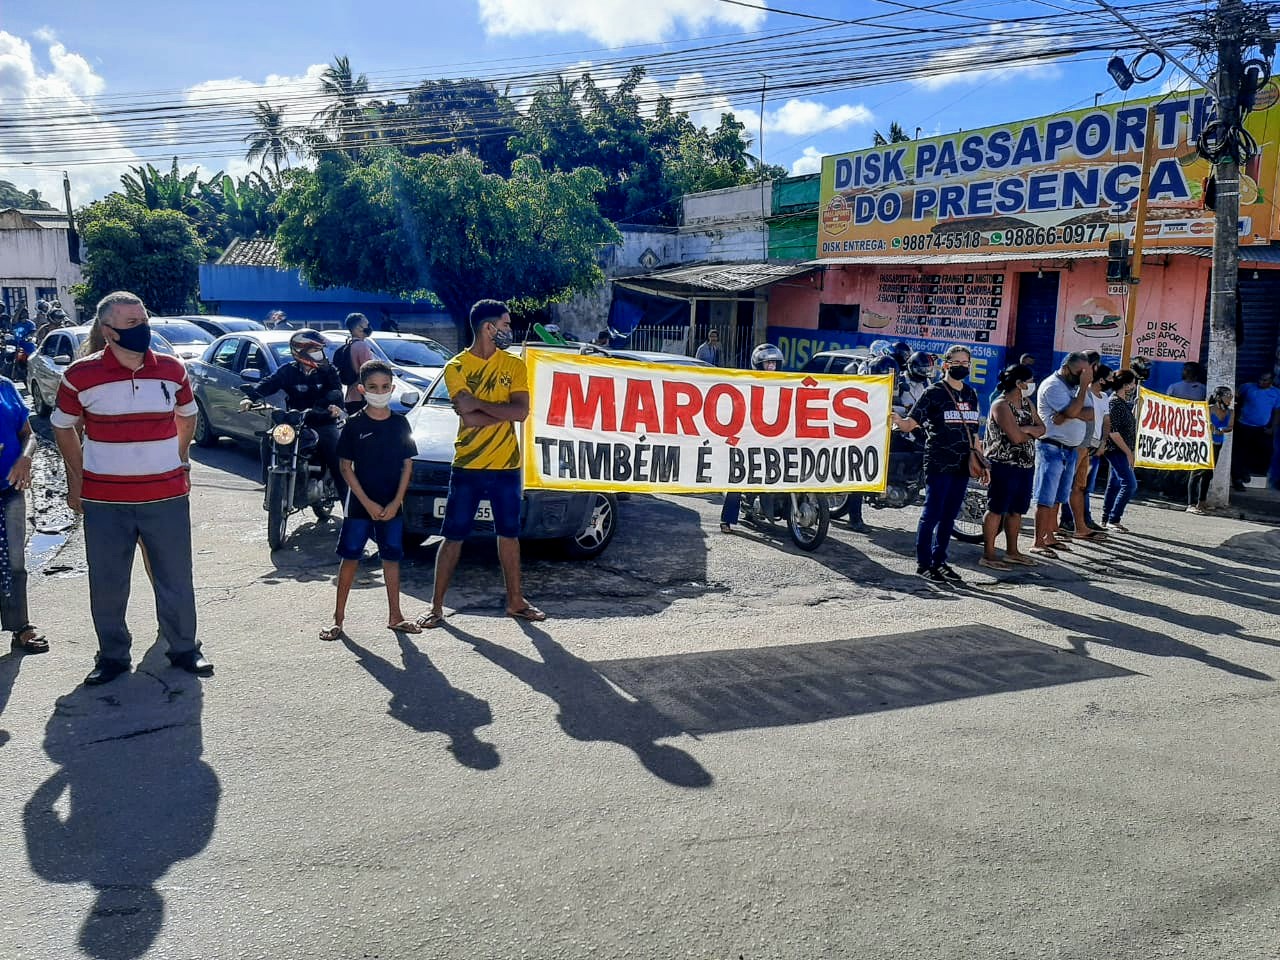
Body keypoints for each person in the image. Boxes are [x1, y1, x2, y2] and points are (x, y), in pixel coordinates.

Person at [50, 291, 212, 686]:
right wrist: (78, 479)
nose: (143, 330)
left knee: (175, 576)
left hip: (167, 496)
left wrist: (176, 458)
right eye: (131, 324)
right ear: (108, 332)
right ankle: (112, 656)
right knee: (107, 581)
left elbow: (186, 418)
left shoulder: (172, 370)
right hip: (106, 500)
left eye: (144, 320)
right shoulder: (80, 375)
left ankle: (184, 648)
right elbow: (62, 425)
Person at [423, 300, 543, 628]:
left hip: (507, 466)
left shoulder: (515, 365)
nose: (509, 330)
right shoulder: (456, 366)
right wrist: (495, 410)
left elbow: (520, 413)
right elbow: (469, 418)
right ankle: (436, 607)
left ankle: (515, 602)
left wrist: (478, 404)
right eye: (505, 324)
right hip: (468, 465)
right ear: (488, 327)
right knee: (453, 536)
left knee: (509, 535)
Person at [320, 360, 420, 641]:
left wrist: (395, 502)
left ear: (393, 388)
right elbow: (345, 468)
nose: (380, 391)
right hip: (359, 507)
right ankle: (337, 619)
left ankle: (396, 616)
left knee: (391, 558)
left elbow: (407, 466)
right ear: (362, 389)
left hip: (392, 505)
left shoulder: (400, 423)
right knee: (350, 558)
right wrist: (368, 503)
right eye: (374, 387)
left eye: (386, 387)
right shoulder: (353, 424)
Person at [891, 345, 987, 584]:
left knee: (950, 515)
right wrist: (894, 418)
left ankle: (940, 561)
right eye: (958, 363)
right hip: (938, 461)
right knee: (932, 513)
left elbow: (974, 433)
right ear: (946, 365)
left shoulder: (971, 394)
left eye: (967, 363)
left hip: (963, 464)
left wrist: (982, 463)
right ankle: (924, 564)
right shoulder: (933, 393)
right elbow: (910, 423)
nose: (963, 367)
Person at [239, 329, 347, 504]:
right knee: (268, 440)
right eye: (315, 351)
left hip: (323, 421)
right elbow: (268, 384)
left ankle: (349, 513)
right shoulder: (287, 371)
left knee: (338, 460)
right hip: (293, 422)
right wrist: (249, 398)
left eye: (320, 351)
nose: (321, 355)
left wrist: (335, 406)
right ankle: (270, 485)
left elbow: (336, 391)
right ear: (301, 352)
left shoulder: (328, 371)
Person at [980, 363, 1045, 570]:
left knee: (1017, 510)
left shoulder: (1026, 403)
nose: (1032, 384)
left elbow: (1042, 428)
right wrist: (1029, 431)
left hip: (1025, 464)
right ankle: (989, 554)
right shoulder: (1001, 405)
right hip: (1003, 464)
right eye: (1029, 381)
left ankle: (1012, 551)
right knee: (997, 508)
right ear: (1018, 383)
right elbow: (1015, 437)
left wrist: (1026, 428)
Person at [0, 372, 45, 654]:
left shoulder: (4, 386)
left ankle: (21, 627)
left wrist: (25, 458)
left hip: (9, 490)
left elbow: (28, 434)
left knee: (16, 561)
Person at [1031, 352, 1092, 554]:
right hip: (1051, 447)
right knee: (1045, 497)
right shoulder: (1054, 385)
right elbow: (1075, 411)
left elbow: (1091, 413)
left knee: (1058, 497)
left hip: (1070, 450)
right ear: (1066, 368)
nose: (1083, 376)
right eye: (1079, 372)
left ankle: (1049, 536)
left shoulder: (1074, 388)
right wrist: (1082, 391)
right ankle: (1038, 541)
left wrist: (1068, 413)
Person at [721, 344, 783, 533]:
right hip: (749, 437)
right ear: (758, 364)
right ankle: (727, 520)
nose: (771, 366)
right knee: (738, 479)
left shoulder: (785, 383)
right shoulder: (748, 382)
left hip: (774, 437)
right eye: (768, 363)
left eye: (774, 363)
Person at [1061, 363, 1111, 539]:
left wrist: (1103, 441)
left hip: (1094, 446)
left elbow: (1106, 421)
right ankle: (1065, 520)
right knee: (1068, 484)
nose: (1112, 380)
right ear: (1101, 379)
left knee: (1083, 487)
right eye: (1110, 377)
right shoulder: (1082, 393)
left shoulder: (1104, 396)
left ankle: (1084, 520)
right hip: (1080, 444)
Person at [1102, 369, 1140, 532]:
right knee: (1129, 484)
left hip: (1122, 449)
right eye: (1132, 383)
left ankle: (1106, 518)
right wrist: (1128, 452)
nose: (1134, 386)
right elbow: (1113, 431)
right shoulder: (1114, 402)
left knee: (1115, 484)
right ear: (1126, 385)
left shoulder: (1122, 402)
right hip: (1116, 449)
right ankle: (1113, 518)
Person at [1188, 386, 1234, 513]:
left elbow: (1230, 426)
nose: (1230, 398)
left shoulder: (1230, 412)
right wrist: (1209, 426)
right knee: (1197, 472)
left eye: (1231, 396)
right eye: (1227, 396)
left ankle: (1201, 501)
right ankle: (1191, 504)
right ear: (1219, 397)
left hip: (1218, 444)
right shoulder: (1208, 409)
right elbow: (1199, 424)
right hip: (1204, 444)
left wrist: (1220, 429)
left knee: (1208, 473)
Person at [1231, 371, 1280, 489]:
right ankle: (1237, 478)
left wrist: (1273, 427)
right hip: (1243, 425)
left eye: (1264, 380)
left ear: (1271, 381)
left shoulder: (1276, 393)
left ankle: (1247, 471)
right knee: (1239, 452)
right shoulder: (1247, 387)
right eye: (1260, 379)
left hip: (1262, 428)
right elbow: (1234, 398)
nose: (1261, 382)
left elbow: (1277, 411)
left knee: (1263, 451)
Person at [338, 312, 376, 415]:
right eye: (367, 324)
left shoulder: (348, 346)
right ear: (359, 327)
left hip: (350, 397)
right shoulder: (362, 346)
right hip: (361, 398)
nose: (369, 327)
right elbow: (369, 372)